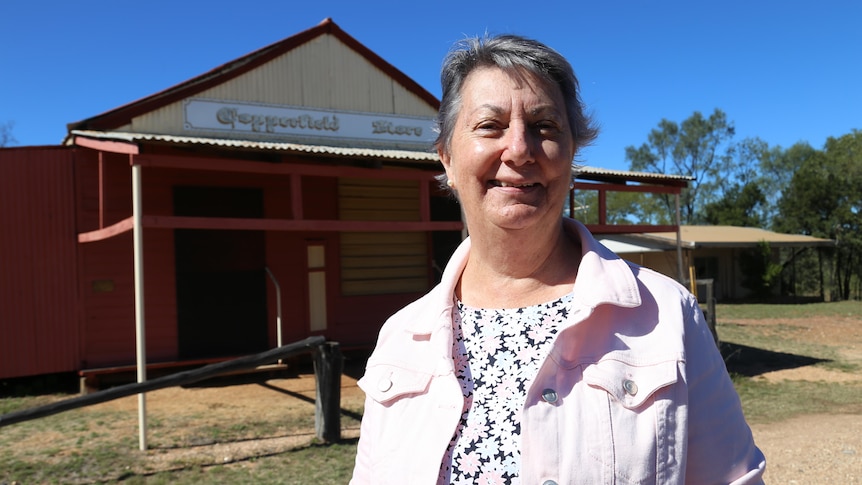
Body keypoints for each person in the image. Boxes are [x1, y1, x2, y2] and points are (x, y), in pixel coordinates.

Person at [350, 34, 766, 485]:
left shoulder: (667, 315)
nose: (520, 149)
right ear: (447, 158)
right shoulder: (400, 338)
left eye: (544, 126)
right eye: (490, 126)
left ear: (571, 156)